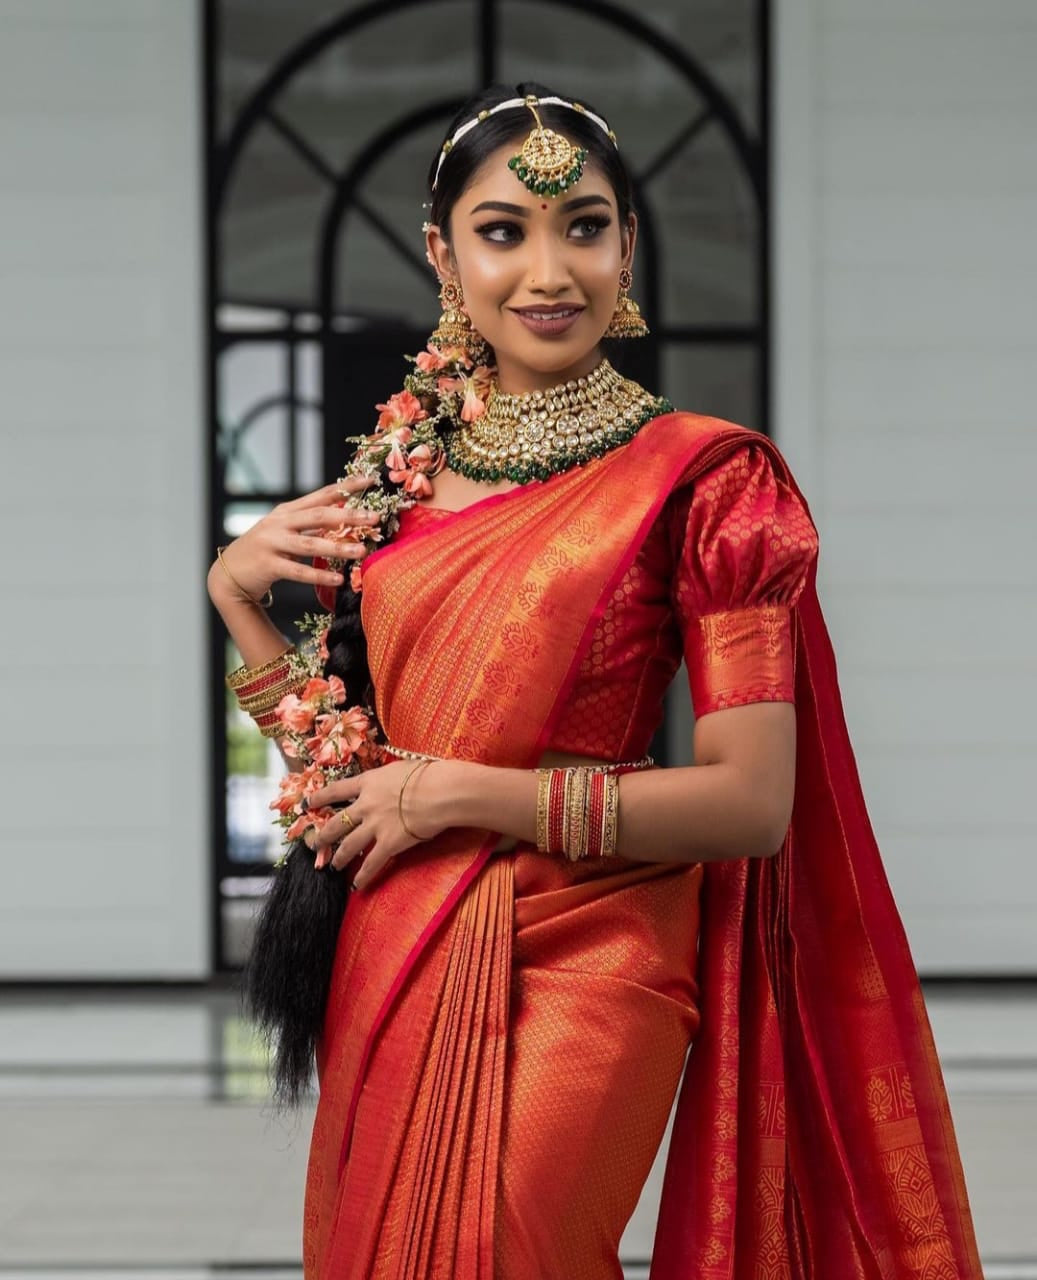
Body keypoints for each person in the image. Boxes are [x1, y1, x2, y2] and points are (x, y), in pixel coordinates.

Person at [208, 83, 983, 1280]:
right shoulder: (393, 489)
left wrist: (466, 796)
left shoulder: (708, 482)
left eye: (583, 224)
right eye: (502, 228)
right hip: (401, 934)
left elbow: (750, 801)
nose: (547, 267)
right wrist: (242, 604)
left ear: (627, 244)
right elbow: (341, 792)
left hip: (601, 936)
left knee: (522, 1248)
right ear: (442, 254)